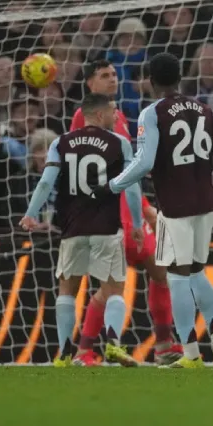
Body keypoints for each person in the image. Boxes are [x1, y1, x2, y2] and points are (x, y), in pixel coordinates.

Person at [98, 52, 213, 369]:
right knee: (197, 271)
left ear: (151, 81)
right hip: (204, 203)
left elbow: (145, 161)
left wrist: (114, 185)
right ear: (180, 77)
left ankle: (191, 354)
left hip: (174, 205)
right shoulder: (203, 108)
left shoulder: (153, 112)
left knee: (176, 276)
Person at [69, 60, 181, 367]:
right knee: (111, 286)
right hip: (106, 211)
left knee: (160, 270)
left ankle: (163, 344)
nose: (112, 80)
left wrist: (145, 209)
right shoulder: (84, 116)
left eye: (114, 75)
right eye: (104, 76)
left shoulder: (117, 116)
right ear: (89, 83)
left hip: (129, 208)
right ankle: (85, 351)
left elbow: (127, 171)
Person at [20, 93, 144, 368]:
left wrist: (30, 213)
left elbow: (46, 182)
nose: (116, 115)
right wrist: (136, 223)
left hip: (72, 227)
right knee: (113, 289)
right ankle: (113, 344)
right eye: (112, 111)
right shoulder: (120, 143)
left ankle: (64, 353)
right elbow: (132, 188)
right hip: (106, 228)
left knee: (67, 290)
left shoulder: (61, 143)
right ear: (99, 114)